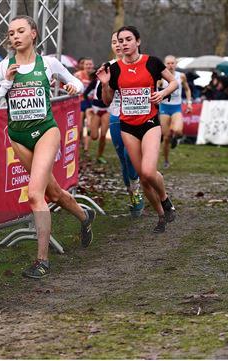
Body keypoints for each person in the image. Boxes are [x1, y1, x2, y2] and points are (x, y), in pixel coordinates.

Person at [0, 15, 95, 279]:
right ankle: (85, 216)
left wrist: (70, 85)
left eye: (20, 31)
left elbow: (77, 84)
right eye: (10, 33)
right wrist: (6, 85)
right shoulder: (3, 67)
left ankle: (42, 260)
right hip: (20, 137)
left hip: (46, 131)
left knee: (35, 194)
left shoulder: (48, 63)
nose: (15, 37)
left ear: (33, 34)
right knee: (53, 193)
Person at [97, 25, 177, 233]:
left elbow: (174, 82)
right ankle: (161, 215)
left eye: (128, 39)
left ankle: (166, 200)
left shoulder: (152, 62)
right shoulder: (113, 69)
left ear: (138, 41)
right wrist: (105, 84)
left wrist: (163, 93)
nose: (124, 44)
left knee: (149, 172)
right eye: (120, 40)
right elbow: (107, 101)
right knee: (142, 177)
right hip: (127, 126)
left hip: (149, 122)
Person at [97, 31, 144, 217]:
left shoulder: (140, 63)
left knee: (130, 155)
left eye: (120, 41)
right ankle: (134, 195)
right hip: (117, 117)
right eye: (113, 42)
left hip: (138, 117)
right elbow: (103, 100)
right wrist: (104, 84)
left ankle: (141, 183)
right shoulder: (108, 68)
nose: (117, 45)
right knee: (124, 161)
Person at [158, 55, 192, 169]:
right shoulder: (161, 78)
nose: (170, 66)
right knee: (166, 137)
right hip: (164, 108)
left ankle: (177, 138)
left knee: (178, 130)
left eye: (172, 63)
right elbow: (154, 90)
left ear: (176, 64)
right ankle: (166, 161)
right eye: (168, 63)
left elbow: (187, 89)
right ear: (164, 65)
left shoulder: (181, 76)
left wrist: (189, 103)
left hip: (176, 107)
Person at [85, 72, 110, 164]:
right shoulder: (95, 82)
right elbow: (85, 94)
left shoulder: (112, 81)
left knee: (103, 134)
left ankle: (100, 155)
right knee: (94, 136)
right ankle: (90, 129)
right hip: (95, 110)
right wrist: (89, 106)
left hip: (107, 110)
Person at [75, 57, 94, 153]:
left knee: (90, 125)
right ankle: (80, 142)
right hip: (81, 101)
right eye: (87, 64)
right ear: (83, 65)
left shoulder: (95, 75)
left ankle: (86, 148)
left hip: (91, 102)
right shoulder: (78, 75)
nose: (89, 66)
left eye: (90, 64)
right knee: (80, 126)